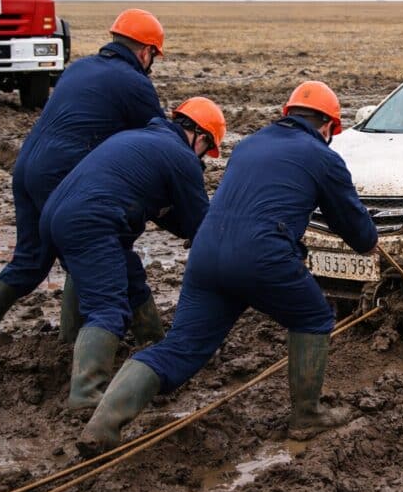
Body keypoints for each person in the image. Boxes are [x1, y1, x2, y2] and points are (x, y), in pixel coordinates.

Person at [77, 81, 378, 454]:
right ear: (329, 126)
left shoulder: (250, 144)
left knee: (181, 348)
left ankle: (101, 427)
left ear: (288, 114)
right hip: (263, 256)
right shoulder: (324, 157)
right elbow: (354, 227)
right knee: (313, 317)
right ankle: (306, 416)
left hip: (207, 254)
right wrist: (371, 241)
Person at [0, 9, 167, 354]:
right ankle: (143, 338)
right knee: (98, 252)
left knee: (29, 261)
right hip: (61, 176)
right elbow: (159, 143)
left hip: (26, 169)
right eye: (153, 56)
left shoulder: (78, 68)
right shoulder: (135, 84)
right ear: (146, 52)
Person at [41, 97, 225, 411]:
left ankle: (149, 342)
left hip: (54, 215)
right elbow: (202, 226)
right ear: (198, 134)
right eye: (206, 148)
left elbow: (168, 215)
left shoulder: (139, 139)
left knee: (128, 274)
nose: (204, 156)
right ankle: (85, 396)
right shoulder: (181, 158)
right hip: (91, 223)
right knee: (109, 309)